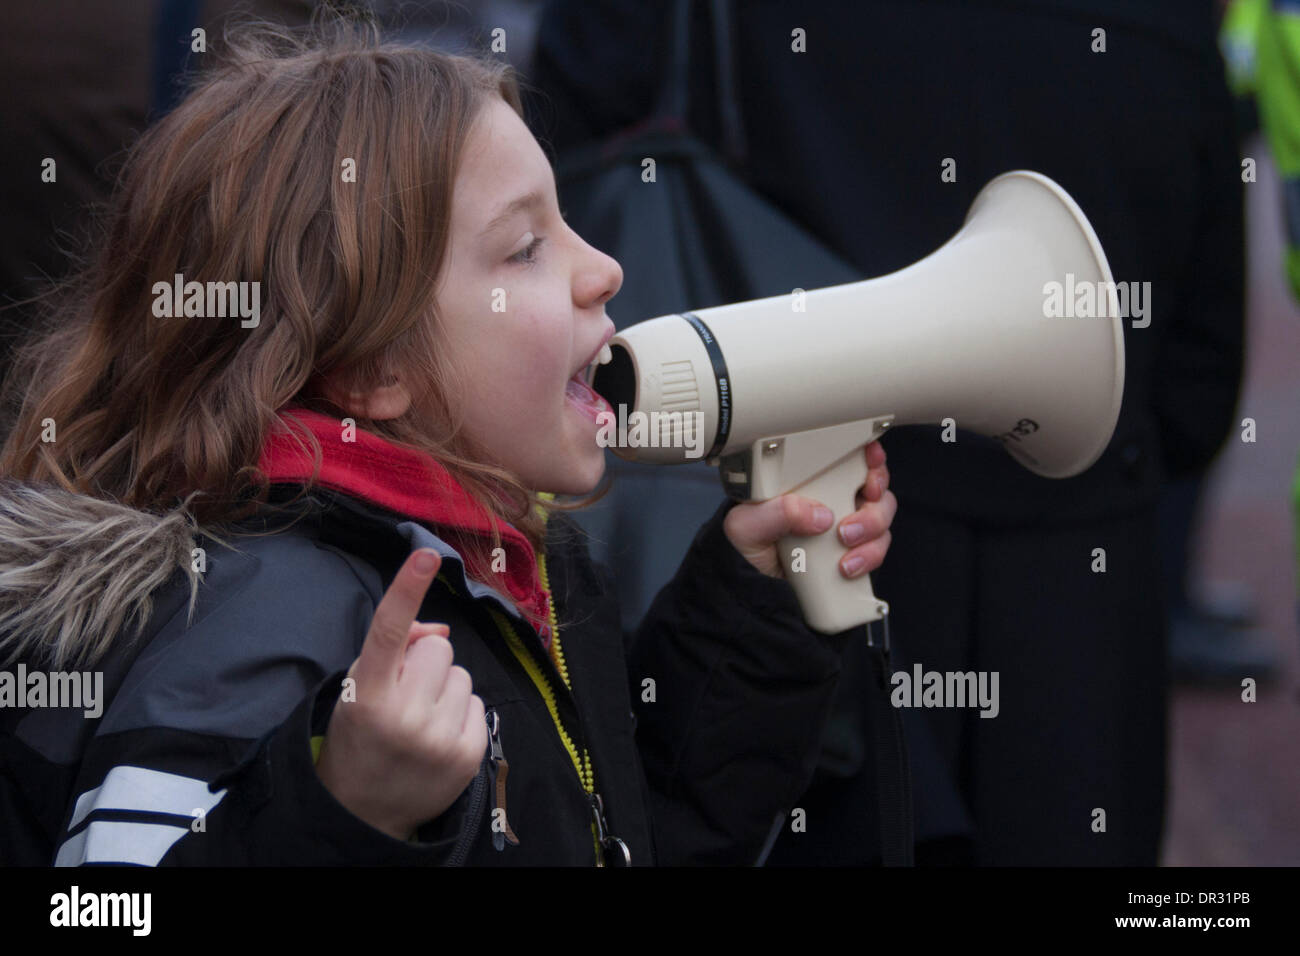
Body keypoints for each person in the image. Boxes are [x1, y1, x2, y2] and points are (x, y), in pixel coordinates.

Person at [0, 15, 897, 866]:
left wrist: (752, 611)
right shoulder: (257, 618)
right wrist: (343, 811)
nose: (606, 268)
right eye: (524, 249)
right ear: (372, 373)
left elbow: (622, 839)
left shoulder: (503, 567)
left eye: (568, 220)